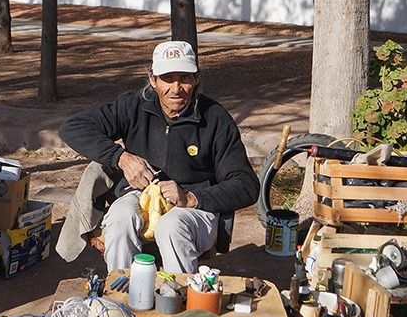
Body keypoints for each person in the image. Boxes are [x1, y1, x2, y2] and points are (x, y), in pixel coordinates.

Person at [60, 40, 260, 274]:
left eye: (185, 78)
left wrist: (191, 198)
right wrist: (122, 158)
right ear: (153, 80)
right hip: (139, 195)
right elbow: (72, 127)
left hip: (194, 209)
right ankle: (122, 298)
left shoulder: (215, 119)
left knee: (171, 226)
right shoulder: (133, 106)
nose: (176, 88)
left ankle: (178, 301)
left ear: (197, 79)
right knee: (120, 218)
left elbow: (246, 185)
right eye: (167, 78)